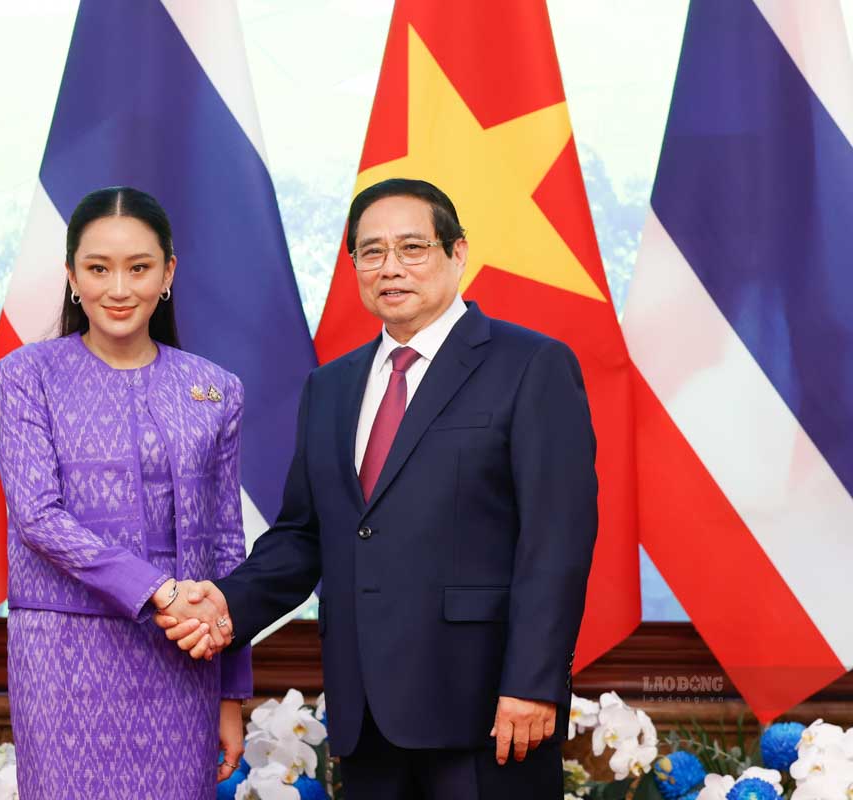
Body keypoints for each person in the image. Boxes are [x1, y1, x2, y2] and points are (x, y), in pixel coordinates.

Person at [159, 178, 598, 799]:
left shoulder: (531, 366)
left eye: (412, 248)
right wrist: (227, 607)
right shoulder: (331, 388)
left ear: (458, 254)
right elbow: (303, 536)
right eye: (371, 251)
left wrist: (532, 682)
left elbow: (557, 540)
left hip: (487, 712)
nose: (390, 267)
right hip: (364, 718)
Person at [0, 186, 250, 800]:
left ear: (168, 273)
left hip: (182, 657)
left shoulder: (215, 388)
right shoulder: (27, 376)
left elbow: (226, 549)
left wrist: (233, 691)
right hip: (62, 656)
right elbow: (36, 517)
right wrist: (156, 589)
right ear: (71, 276)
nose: (119, 288)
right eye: (98, 268)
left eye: (139, 267)